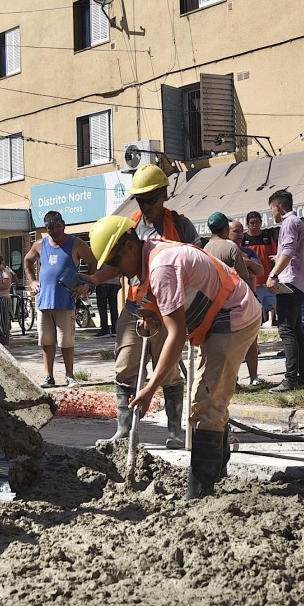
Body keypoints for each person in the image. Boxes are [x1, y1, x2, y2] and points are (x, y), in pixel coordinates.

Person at [91, 215, 259, 498]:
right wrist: (154, 315)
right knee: (209, 396)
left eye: (115, 262)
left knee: (205, 401)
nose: (115, 270)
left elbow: (177, 334)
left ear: (129, 246)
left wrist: (150, 389)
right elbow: (173, 305)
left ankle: (200, 492)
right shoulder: (148, 259)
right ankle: (216, 474)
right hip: (217, 317)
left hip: (234, 315)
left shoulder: (161, 267)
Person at [95, 165, 198, 448]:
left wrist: (161, 311)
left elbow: (194, 265)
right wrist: (94, 279)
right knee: (125, 365)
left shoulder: (181, 225)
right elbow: (119, 264)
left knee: (169, 370)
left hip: (167, 308)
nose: (145, 206)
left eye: (150, 199)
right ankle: (124, 429)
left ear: (164, 194)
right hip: (135, 307)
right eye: (140, 200)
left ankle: (175, 431)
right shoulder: (131, 226)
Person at [23, 211, 96, 387]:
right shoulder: (39, 244)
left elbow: (93, 263)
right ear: (46, 228)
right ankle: (49, 376)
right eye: (50, 228)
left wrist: (86, 284)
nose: (54, 231)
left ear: (63, 225)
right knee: (46, 341)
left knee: (66, 341)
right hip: (44, 301)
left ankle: (70, 376)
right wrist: (32, 281)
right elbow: (27, 261)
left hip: (66, 300)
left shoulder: (76, 243)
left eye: (57, 227)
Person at [265, 189, 304, 392]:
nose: (272, 214)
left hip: (290, 283)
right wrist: (298, 268)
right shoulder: (300, 223)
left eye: (271, 209)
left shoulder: (288, 223)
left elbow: (288, 250)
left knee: (286, 330)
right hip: (300, 282)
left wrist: (274, 274)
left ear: (277, 206)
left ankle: (290, 379)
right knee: (297, 331)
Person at [210, 214, 266, 387]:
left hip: (236, 301)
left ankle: (251, 377)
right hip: (233, 301)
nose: (240, 234)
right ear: (226, 230)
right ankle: (233, 380)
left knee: (249, 340)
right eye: (236, 231)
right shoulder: (227, 249)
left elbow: (260, 271)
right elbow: (242, 277)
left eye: (242, 231)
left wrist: (246, 260)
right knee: (233, 343)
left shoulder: (247, 252)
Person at [241, 211, 277, 327]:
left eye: (257, 222)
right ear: (248, 224)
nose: (255, 225)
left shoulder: (267, 237)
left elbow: (275, 256)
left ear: (261, 222)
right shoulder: (244, 239)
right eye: (252, 223)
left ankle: (271, 322)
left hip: (268, 280)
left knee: (271, 304)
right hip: (253, 282)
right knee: (255, 307)